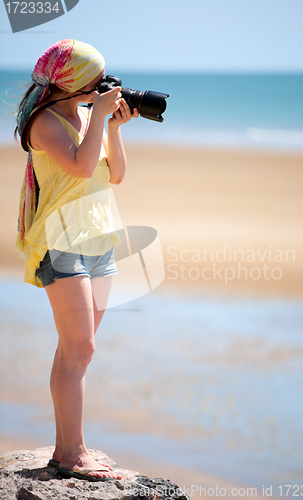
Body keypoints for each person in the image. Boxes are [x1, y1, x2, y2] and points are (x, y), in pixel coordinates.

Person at [15, 39, 139, 482]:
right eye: (93, 81)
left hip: (99, 240)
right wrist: (101, 117)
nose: (101, 88)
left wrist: (114, 128)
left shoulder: (89, 116)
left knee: (77, 351)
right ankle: (72, 453)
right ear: (70, 84)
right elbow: (81, 168)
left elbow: (115, 175)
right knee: (80, 347)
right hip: (61, 242)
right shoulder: (43, 123)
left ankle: (66, 449)